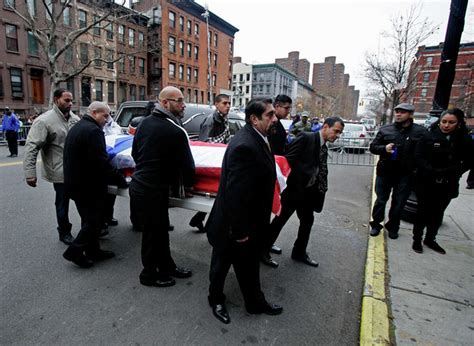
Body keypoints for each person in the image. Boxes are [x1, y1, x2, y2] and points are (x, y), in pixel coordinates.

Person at [206, 98, 282, 324]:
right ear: (254, 119)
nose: (275, 118)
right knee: (221, 265)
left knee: (248, 265)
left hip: (249, 222)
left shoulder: (258, 137)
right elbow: (235, 195)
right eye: (269, 115)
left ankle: (254, 302)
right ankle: (215, 299)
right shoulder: (245, 146)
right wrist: (239, 232)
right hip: (234, 225)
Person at [130, 86, 195, 288]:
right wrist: (187, 185)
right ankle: (148, 275)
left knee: (160, 231)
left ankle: (167, 265)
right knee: (152, 234)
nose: (183, 105)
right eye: (179, 100)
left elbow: (134, 154)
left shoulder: (144, 124)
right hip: (151, 190)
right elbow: (188, 167)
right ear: (165, 103)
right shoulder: (175, 130)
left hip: (142, 186)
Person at [262, 117, 344, 268]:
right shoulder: (306, 138)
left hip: (309, 192)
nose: (337, 135)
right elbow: (288, 161)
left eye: (340, 133)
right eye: (336, 131)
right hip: (294, 191)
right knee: (279, 221)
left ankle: (299, 253)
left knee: (307, 222)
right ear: (325, 127)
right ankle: (263, 251)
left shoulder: (324, 146)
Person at [62, 102, 127, 268]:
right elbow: (101, 162)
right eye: (104, 116)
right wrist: (120, 180)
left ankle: (93, 251)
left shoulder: (78, 127)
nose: (107, 120)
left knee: (88, 219)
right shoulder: (93, 131)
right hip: (88, 185)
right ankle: (74, 252)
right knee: (94, 221)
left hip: (75, 183)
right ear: (93, 112)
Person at [412, 109, 473, 254]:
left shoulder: (464, 139)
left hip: (448, 183)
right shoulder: (428, 135)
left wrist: (456, 171)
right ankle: (417, 240)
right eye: (443, 122)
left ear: (458, 124)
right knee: (422, 213)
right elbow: (419, 156)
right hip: (426, 181)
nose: (446, 125)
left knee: (438, 213)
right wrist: (432, 170)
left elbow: (469, 160)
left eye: (451, 122)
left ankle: (430, 239)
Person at [23, 89, 80, 245]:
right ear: (56, 100)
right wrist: (29, 173)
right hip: (59, 171)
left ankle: (92, 227)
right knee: (62, 203)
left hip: (76, 171)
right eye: (66, 100)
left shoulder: (75, 119)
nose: (70, 104)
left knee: (84, 200)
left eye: (71, 101)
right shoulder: (44, 121)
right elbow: (31, 147)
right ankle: (64, 232)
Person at [369, 103, 426, 239]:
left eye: (402, 112)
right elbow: (373, 147)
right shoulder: (385, 130)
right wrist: (384, 148)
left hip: (405, 174)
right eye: (397, 112)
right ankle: (376, 224)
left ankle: (393, 227)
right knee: (380, 201)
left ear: (410, 114)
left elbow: (423, 153)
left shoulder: (420, 132)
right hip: (385, 172)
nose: (398, 114)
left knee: (399, 203)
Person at [189, 94, 232, 233]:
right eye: (224, 103)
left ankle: (199, 219)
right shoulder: (211, 121)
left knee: (220, 196)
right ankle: (203, 221)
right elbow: (204, 144)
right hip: (212, 160)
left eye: (229, 103)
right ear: (216, 104)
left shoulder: (224, 120)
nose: (228, 106)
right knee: (218, 195)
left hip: (220, 159)